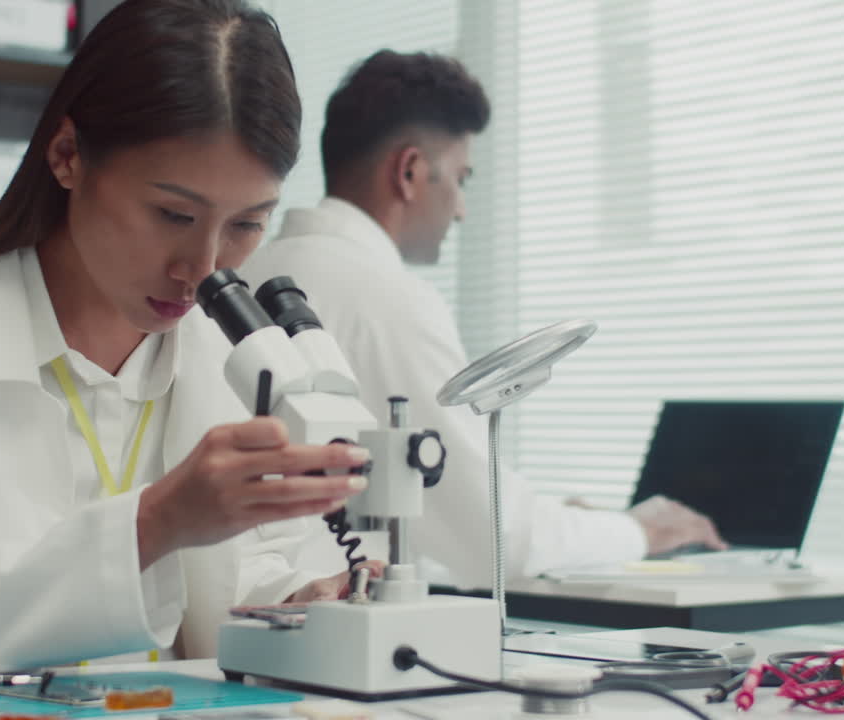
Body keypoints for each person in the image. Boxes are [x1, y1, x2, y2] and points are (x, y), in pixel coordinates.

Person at [0, 0, 372, 673]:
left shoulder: (233, 357)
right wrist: (153, 524)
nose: (203, 267)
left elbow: (248, 570)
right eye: (173, 214)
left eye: (247, 224)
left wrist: (299, 601)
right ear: (68, 156)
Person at [241, 50, 727, 590]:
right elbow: (498, 540)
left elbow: (441, 507)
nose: (461, 210)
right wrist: (637, 532)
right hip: (322, 620)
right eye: (461, 178)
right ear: (410, 172)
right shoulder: (385, 295)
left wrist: (563, 519)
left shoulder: (251, 268)